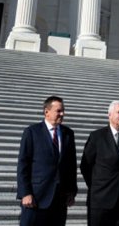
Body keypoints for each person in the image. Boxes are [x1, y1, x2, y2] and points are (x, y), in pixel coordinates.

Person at [16, 96, 78, 226]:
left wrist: (71, 192)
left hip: (59, 199)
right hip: (36, 197)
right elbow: (23, 164)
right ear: (46, 112)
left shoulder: (68, 134)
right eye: (59, 111)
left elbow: (71, 166)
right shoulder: (32, 132)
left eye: (63, 111)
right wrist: (25, 193)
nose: (62, 114)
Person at [80, 100, 119, 226]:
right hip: (100, 199)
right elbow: (85, 166)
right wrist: (97, 184)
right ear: (109, 115)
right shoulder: (97, 136)